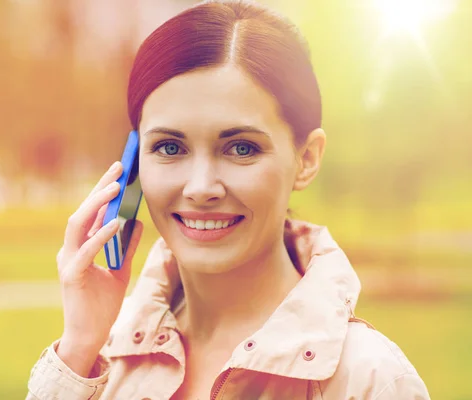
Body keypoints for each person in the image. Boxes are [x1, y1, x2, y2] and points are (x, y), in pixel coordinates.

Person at [26, 1, 431, 399]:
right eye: (169, 147)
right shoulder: (101, 361)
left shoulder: (373, 382)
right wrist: (78, 348)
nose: (201, 187)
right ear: (133, 165)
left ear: (305, 159)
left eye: (240, 148)